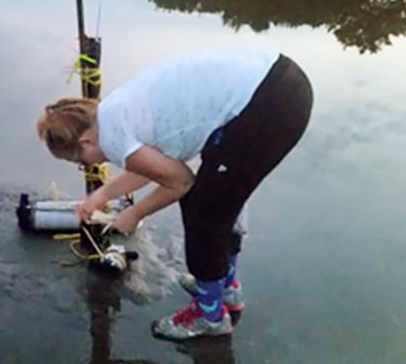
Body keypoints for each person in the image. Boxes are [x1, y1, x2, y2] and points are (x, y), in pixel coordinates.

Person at [35, 46, 313, 340]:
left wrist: (134, 213)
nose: (86, 165)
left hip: (269, 106)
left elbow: (180, 182)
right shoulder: (114, 111)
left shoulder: (114, 137)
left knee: (204, 212)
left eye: (80, 160)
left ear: (86, 139)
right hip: (278, 77)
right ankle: (225, 287)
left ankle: (210, 317)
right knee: (221, 199)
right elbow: (151, 167)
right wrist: (101, 197)